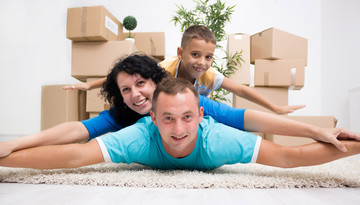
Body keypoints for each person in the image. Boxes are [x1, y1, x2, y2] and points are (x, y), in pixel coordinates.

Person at [0, 54, 357, 158]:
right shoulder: (124, 116)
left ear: (158, 84)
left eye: (141, 84)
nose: (136, 94)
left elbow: (247, 118)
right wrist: (14, 143)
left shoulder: (193, 105)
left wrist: (315, 130)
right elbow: (77, 131)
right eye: (126, 90)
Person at [1, 77, 360, 171]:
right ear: (153, 118)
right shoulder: (137, 137)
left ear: (201, 116)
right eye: (168, 119)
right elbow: (74, 156)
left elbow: (284, 157)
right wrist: (7, 153)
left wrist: (341, 140)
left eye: (188, 117)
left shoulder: (218, 139)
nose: (178, 129)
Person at [68, 25, 305, 114]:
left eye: (208, 56)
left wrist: (275, 107)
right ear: (181, 53)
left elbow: (241, 91)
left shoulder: (209, 75)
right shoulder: (164, 69)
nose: (201, 62)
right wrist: (89, 84)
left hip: (197, 112)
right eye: (195, 54)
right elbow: (126, 74)